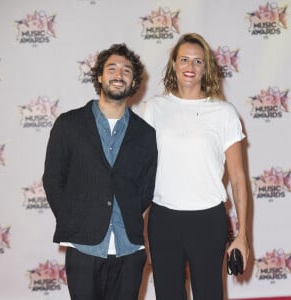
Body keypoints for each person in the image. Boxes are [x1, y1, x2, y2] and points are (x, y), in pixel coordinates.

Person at [42, 43, 157, 300]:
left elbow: (147, 188)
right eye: (112, 68)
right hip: (83, 247)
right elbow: (52, 179)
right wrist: (75, 220)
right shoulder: (69, 125)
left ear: (134, 80)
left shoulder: (146, 134)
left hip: (130, 248)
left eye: (126, 71)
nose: (119, 75)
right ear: (99, 76)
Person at [142, 33, 249, 300]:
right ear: (174, 64)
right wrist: (142, 227)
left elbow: (237, 178)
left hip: (208, 221)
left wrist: (243, 235)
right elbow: (142, 173)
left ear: (206, 68)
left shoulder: (224, 113)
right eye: (184, 60)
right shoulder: (154, 108)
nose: (190, 67)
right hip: (163, 220)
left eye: (198, 61)